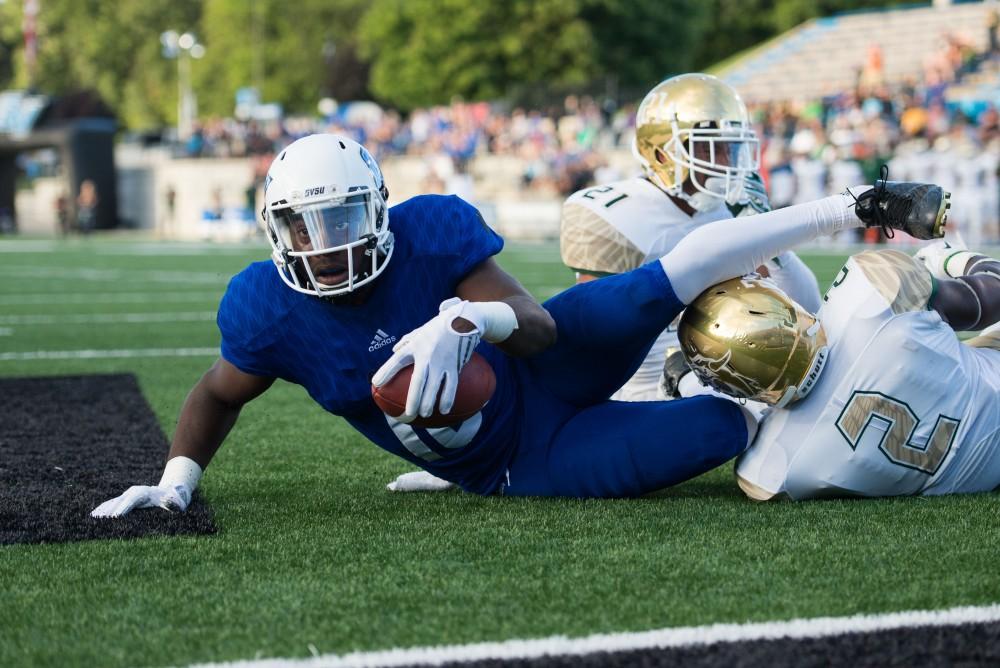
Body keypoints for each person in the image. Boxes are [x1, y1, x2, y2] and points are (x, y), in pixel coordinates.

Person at [90, 132, 946, 516]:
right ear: (275, 229)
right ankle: (717, 392)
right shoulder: (268, 308)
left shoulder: (429, 232)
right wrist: (177, 480)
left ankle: (851, 206)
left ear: (381, 212)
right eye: (307, 228)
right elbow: (216, 391)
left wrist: (469, 320)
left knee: (657, 284)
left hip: (552, 366)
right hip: (518, 462)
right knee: (722, 426)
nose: (328, 246)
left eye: (346, 219)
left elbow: (536, 326)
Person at [675, 232, 1000, 501]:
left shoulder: (768, 472)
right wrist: (948, 257)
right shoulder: (874, 292)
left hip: (973, 477)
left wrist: (686, 380)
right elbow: (990, 294)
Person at [560, 74, 820, 402]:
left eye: (731, 146)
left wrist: (771, 241)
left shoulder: (732, 208)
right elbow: (595, 331)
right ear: (663, 153)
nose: (726, 159)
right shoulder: (612, 212)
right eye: (712, 147)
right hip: (637, 394)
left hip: (725, 381)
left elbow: (806, 309)